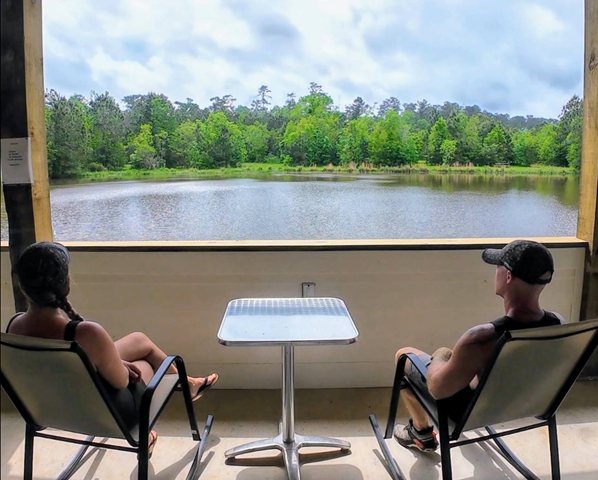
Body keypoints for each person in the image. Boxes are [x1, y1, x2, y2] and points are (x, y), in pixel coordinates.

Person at [6, 241, 219, 456]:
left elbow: (56, 370)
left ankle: (188, 384)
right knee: (145, 363)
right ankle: (151, 426)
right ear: (66, 284)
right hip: (104, 416)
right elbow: (122, 382)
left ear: (23, 287)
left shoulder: (14, 328)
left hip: (52, 411)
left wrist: (110, 362)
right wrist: (120, 366)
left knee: (139, 340)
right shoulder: (88, 334)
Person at [393, 240, 563, 452]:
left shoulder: (481, 339)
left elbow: (437, 389)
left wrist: (441, 356)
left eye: (498, 265)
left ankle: (421, 432)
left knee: (404, 355)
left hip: (471, 413)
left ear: (508, 276)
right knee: (458, 363)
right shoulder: (558, 325)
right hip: (526, 404)